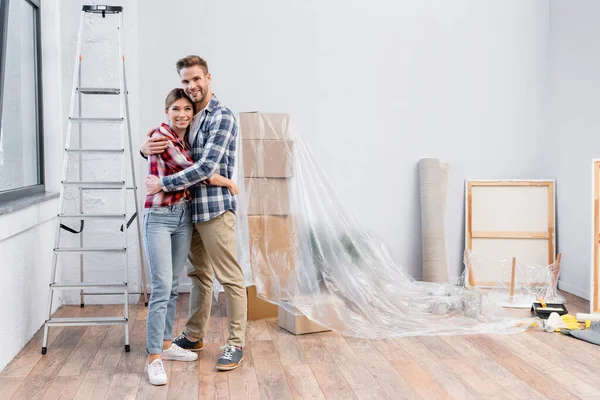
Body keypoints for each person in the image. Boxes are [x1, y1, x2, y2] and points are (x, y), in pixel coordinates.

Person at [142, 55, 247, 372]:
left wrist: (163, 182)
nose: (191, 86)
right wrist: (145, 147)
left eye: (196, 79)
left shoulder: (222, 117)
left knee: (229, 277)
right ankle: (193, 336)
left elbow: (204, 167)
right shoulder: (188, 117)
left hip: (215, 209)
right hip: (188, 210)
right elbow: (167, 149)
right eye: (185, 81)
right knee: (199, 276)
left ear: (208, 78)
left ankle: (235, 342)